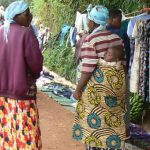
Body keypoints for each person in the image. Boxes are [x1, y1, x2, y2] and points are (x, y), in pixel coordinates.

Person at [72, 5, 128, 150]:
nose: (88, 23)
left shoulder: (91, 39)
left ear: (93, 22)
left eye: (89, 20)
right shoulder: (117, 38)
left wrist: (78, 89)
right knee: (112, 123)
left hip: (97, 91)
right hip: (116, 88)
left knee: (94, 125)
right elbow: (122, 62)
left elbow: (88, 68)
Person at [0, 1, 43, 149]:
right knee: (26, 133)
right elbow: (36, 65)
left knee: (7, 132)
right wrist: (34, 75)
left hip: (2, 95)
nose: (30, 16)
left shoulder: (0, 32)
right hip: (23, 94)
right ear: (16, 16)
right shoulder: (26, 33)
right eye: (27, 14)